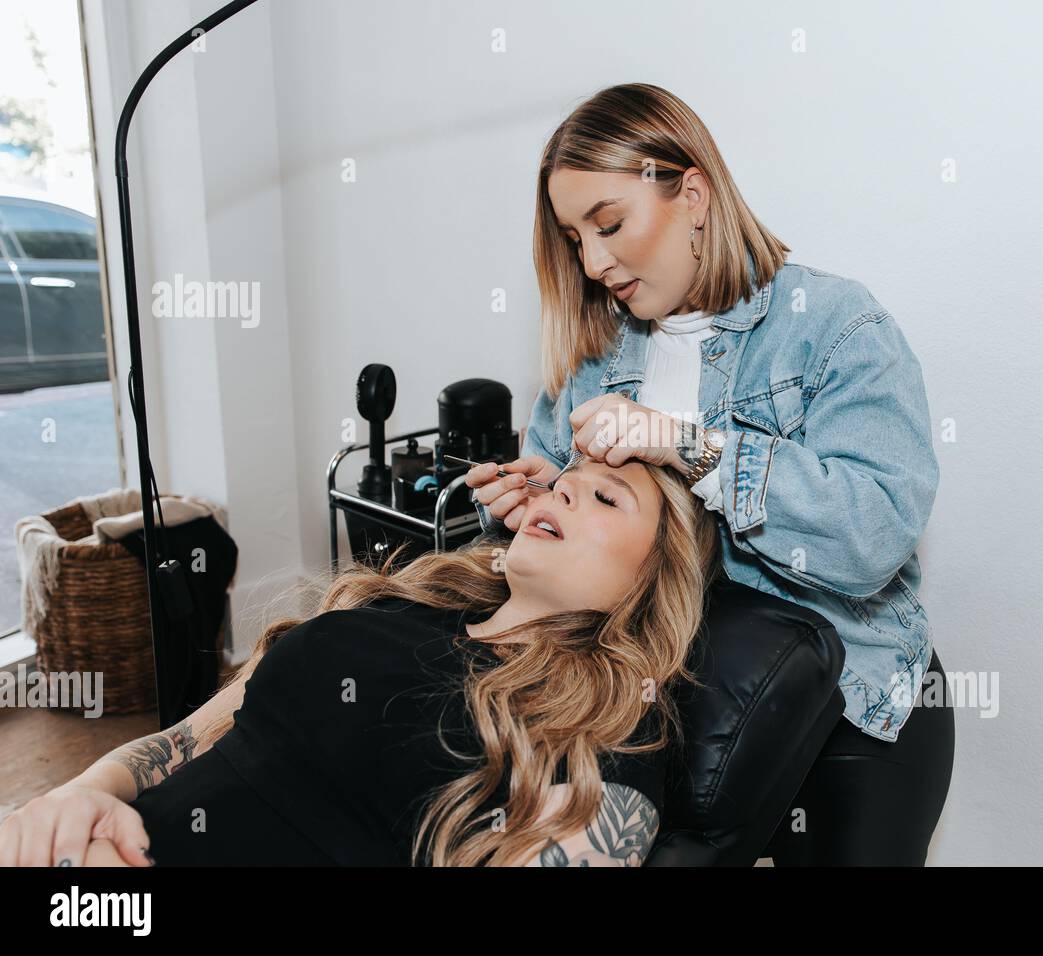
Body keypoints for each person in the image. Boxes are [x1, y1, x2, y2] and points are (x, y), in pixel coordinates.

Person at [469, 82, 954, 864]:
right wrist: (529, 506)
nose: (593, 263)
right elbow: (573, 555)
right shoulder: (592, 360)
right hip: (659, 701)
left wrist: (688, 447)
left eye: (610, 224)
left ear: (691, 193)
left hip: (846, 704)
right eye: (574, 238)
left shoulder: (834, 327)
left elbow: (873, 536)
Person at [0, 457, 721, 867]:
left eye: (604, 497)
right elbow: (187, 739)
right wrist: (77, 797)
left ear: (652, 579)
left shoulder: (609, 729)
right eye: (567, 473)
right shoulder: (404, 603)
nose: (563, 485)